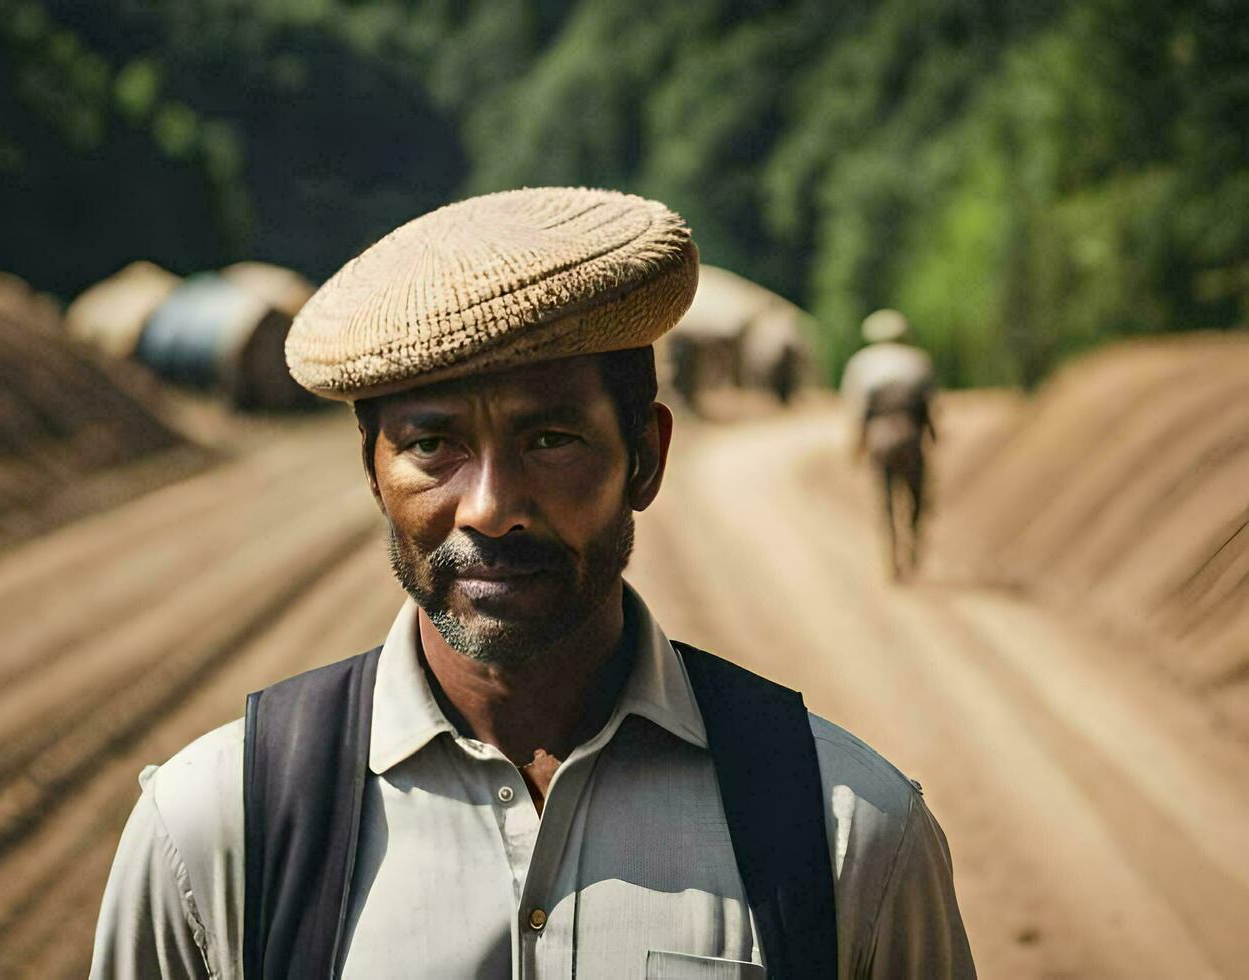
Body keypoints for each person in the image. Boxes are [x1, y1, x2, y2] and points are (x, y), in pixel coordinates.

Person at [90, 189, 973, 978]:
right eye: (432, 446)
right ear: (373, 473)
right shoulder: (214, 833)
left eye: (550, 441)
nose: (491, 509)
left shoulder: (850, 838)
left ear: (647, 458)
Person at [840, 311, 937, 582]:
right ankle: (913, 542)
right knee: (916, 494)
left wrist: (856, 445)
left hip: (879, 436)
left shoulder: (862, 363)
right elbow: (929, 406)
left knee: (885, 499)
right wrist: (932, 437)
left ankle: (892, 555)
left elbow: (858, 410)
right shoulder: (918, 360)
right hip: (910, 435)